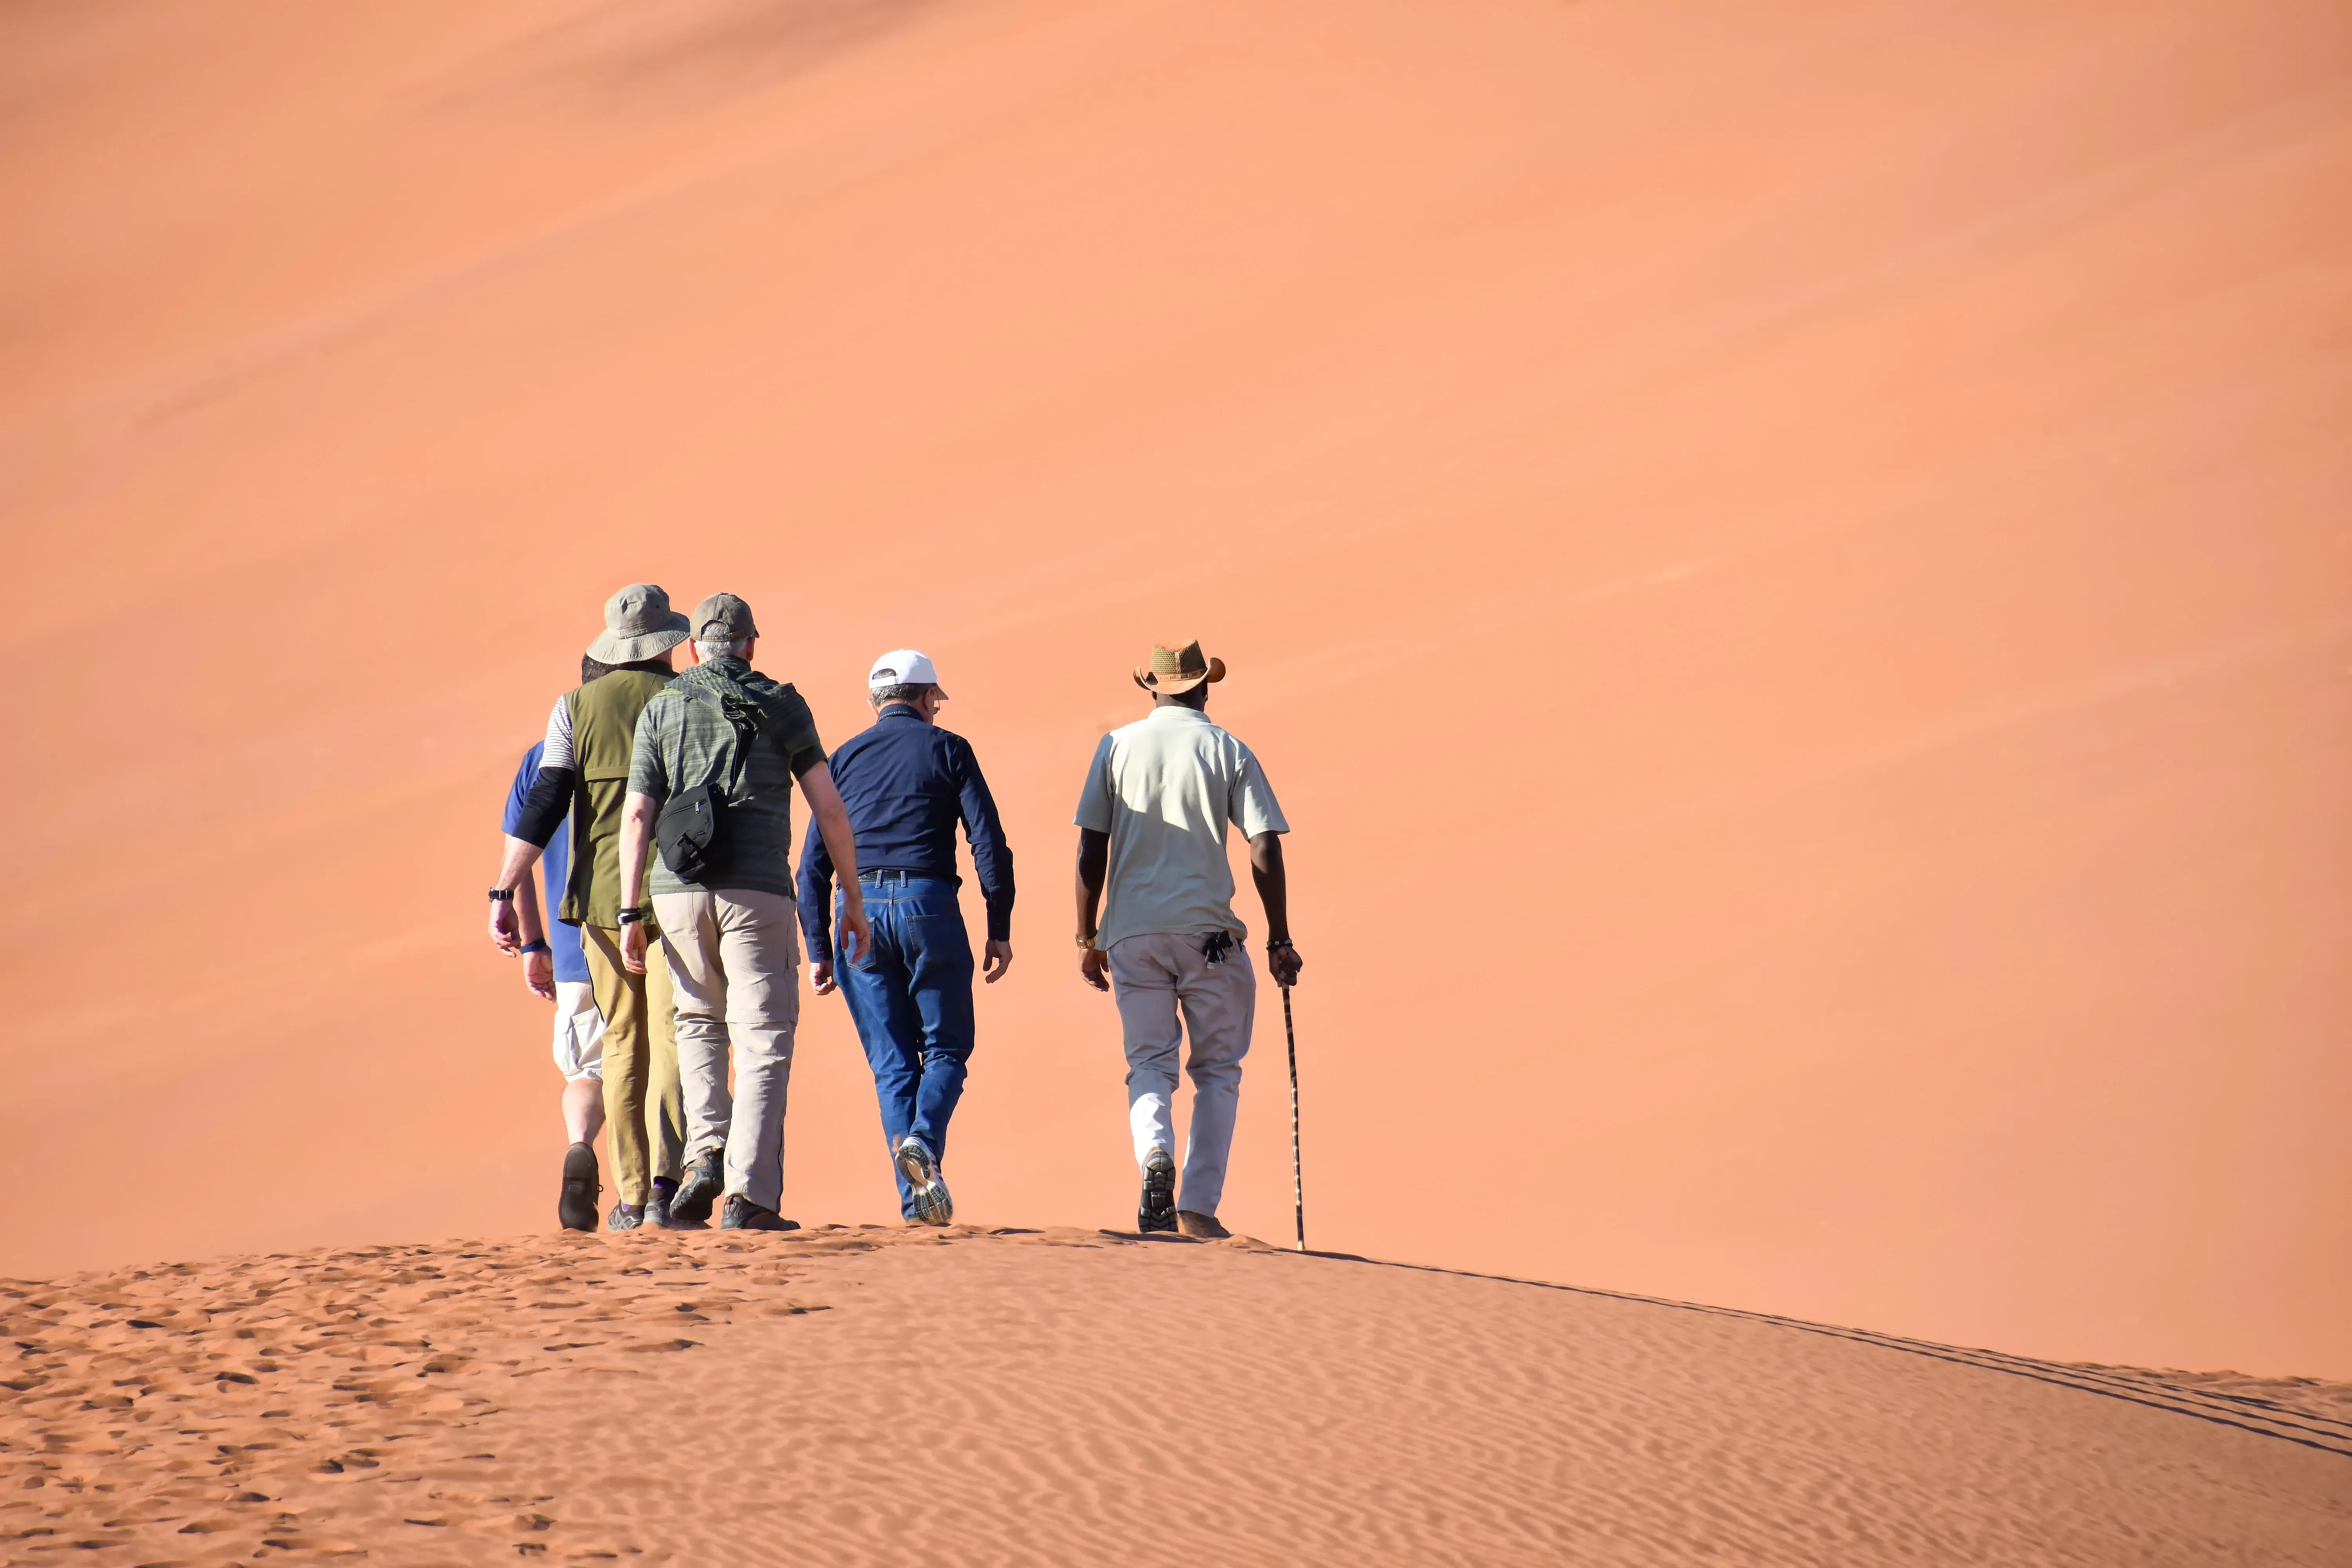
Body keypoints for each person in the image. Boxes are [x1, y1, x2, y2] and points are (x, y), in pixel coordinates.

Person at [616, 592, 871, 1232]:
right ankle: (750, 1196)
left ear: (696, 646)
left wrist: (628, 912)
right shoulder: (781, 703)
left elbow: (638, 816)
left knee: (699, 1023)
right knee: (763, 1040)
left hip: (676, 893)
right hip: (757, 891)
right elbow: (830, 809)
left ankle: (707, 1151)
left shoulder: (661, 707)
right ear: (751, 644)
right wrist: (852, 897)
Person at [1074, 640, 1303, 1238]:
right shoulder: (1227, 748)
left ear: (1153, 688)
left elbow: (1090, 846)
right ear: (1204, 688)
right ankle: (1197, 1207)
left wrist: (1086, 935)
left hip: (1131, 935)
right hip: (1210, 937)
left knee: (1149, 1062)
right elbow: (1264, 844)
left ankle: (1155, 1156)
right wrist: (1280, 937)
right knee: (1218, 1070)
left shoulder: (1115, 746)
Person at [492, 584, 692, 1231]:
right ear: (666, 647)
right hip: (674, 903)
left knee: (611, 1054)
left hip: (591, 917)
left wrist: (515, 910)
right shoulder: (687, 702)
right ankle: (668, 1185)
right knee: (673, 1043)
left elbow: (539, 812)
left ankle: (615, 1179)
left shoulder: (569, 716)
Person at [799, 649, 1016, 1227]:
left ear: (875, 704)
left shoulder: (841, 759)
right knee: (946, 1050)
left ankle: (916, 1204)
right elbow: (989, 843)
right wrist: (1000, 927)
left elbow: (811, 868)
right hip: (929, 908)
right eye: (936, 702)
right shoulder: (949, 749)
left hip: (858, 914)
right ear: (926, 699)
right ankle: (923, 1139)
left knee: (894, 1067)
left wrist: (819, 949)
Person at [500, 726, 608, 1231]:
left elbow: (519, 853)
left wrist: (532, 943)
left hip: (571, 951)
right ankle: (650, 1194)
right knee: (655, 1067)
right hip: (648, 937)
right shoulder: (650, 728)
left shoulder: (544, 755)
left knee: (587, 1072)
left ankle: (581, 1146)